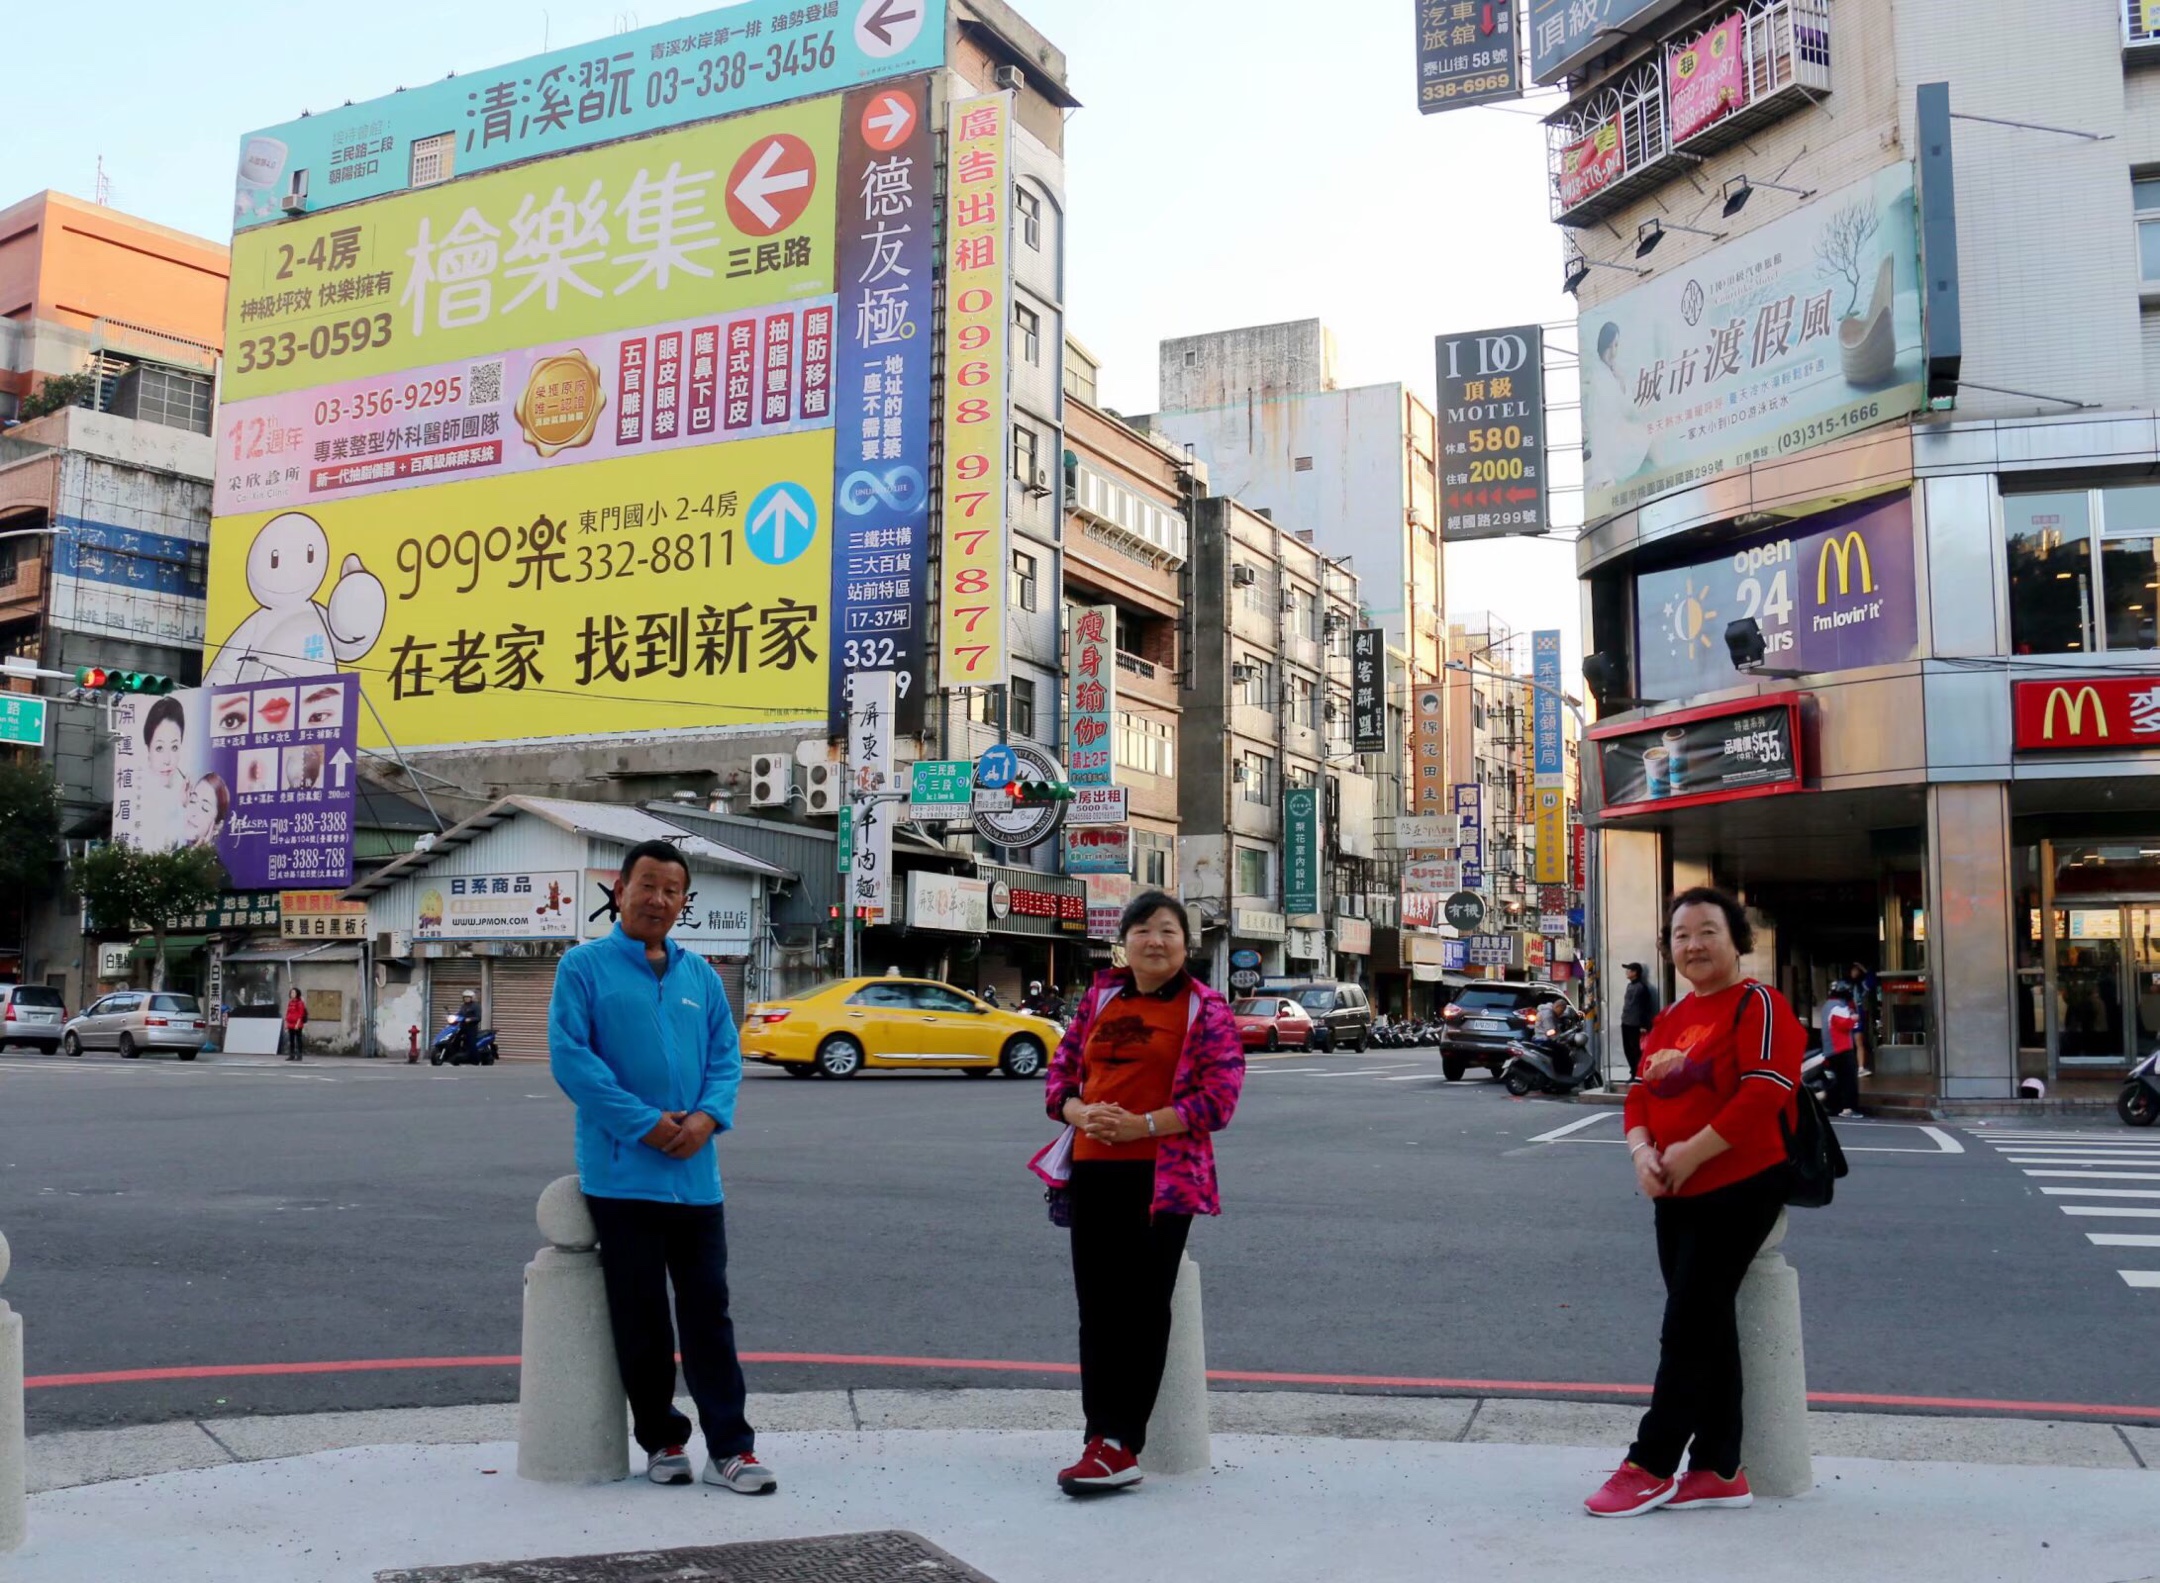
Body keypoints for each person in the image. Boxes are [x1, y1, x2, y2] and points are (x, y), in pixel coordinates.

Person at [548, 838, 774, 1494]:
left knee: (709, 1310)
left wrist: (707, 1117)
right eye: (646, 884)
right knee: (641, 1315)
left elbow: (725, 1057)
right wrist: (643, 1121)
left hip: (696, 1177)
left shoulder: (699, 976)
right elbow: (572, 1058)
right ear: (619, 890)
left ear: (683, 901)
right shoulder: (582, 968)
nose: (658, 898)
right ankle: (662, 1438)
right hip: (621, 1175)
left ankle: (730, 1446)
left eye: (672, 889)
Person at [1585, 886, 1803, 1519]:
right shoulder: (1673, 1017)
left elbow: (1767, 1089)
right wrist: (1643, 1153)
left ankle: (1649, 1465)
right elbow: (1638, 1095)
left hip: (1741, 1183)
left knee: (1685, 1330)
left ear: (1736, 939)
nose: (1694, 945)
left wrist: (1692, 1152)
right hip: (1676, 1189)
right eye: (1681, 935)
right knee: (1706, 1326)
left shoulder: (1759, 1003)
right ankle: (1719, 1467)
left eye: (1708, 931)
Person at [1044, 890, 1246, 1494]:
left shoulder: (1205, 1009)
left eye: (1168, 931)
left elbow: (1219, 1099)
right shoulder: (1100, 998)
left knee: (1140, 1309)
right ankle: (1098, 1439)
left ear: (1189, 945)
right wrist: (1080, 1113)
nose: (1154, 941)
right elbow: (1059, 1076)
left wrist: (1143, 1124)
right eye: (1142, 930)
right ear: (1124, 941)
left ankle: (1121, 1442)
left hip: (1161, 1176)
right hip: (1092, 1169)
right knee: (1096, 1310)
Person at [1823, 981, 1863, 1118]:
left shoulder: (1828, 1005)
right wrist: (1854, 1019)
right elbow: (1844, 1024)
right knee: (1848, 1080)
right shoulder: (1838, 1006)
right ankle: (1848, 1108)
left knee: (1837, 1080)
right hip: (1841, 1048)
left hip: (1831, 1049)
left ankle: (1834, 1107)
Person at [1621, 962, 1658, 1082]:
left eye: (1629, 970)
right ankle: (1633, 1072)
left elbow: (1645, 1007)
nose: (1627, 972)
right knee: (1628, 1049)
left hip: (1636, 1024)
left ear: (1635, 972)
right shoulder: (1629, 986)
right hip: (1626, 1022)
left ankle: (1639, 1073)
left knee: (1636, 1050)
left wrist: (1643, 1024)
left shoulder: (1641, 988)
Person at [451, 988, 482, 1061]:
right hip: (462, 1027)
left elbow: (478, 1017)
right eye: (465, 997)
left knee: (471, 1043)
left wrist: (470, 1019)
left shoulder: (476, 1006)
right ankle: (456, 1056)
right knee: (455, 1039)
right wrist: (453, 1017)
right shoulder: (463, 1006)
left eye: (468, 997)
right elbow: (459, 1014)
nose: (466, 999)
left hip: (471, 1028)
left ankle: (475, 1060)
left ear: (472, 998)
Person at [282, 987, 308, 1060]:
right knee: (291, 1040)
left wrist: (297, 1024)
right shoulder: (290, 1002)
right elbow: (288, 1013)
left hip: (297, 1024)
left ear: (297, 994)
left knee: (298, 1039)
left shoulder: (299, 1003)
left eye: (293, 993)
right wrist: (286, 1023)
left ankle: (299, 1055)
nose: (292, 994)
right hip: (290, 1023)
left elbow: (301, 1014)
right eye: (291, 993)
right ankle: (292, 1054)